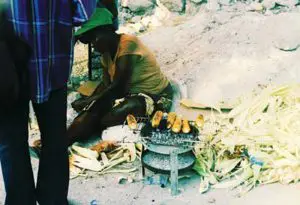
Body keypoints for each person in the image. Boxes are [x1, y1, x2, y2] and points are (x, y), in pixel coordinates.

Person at [0, 1, 95, 204]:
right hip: (52, 62)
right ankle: (52, 200)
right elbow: (83, 13)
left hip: (5, 65)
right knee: (54, 138)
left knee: (10, 142)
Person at [67, 8, 174, 144]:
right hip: (131, 94)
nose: (93, 45)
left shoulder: (128, 43)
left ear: (107, 30)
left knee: (110, 112)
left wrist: (90, 103)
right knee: (94, 111)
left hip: (155, 96)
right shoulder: (106, 55)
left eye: (94, 38)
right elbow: (105, 85)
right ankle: (63, 140)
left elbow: (118, 88)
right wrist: (90, 104)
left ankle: (79, 133)